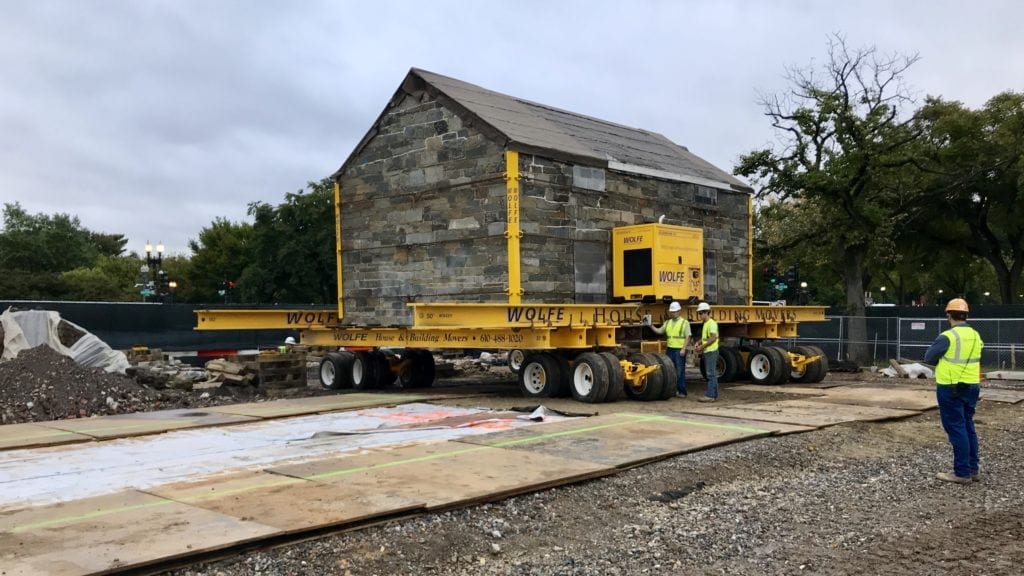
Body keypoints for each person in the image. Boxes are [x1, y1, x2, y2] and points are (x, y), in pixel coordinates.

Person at [924, 298, 983, 484]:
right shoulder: (975, 335)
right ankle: (973, 470)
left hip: (951, 387)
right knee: (968, 426)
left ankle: (962, 472)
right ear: (966, 315)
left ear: (948, 315)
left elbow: (929, 357)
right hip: (972, 386)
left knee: (956, 428)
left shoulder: (947, 337)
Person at [646, 301, 692, 397]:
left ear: (679, 311)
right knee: (670, 370)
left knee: (680, 371)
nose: (672, 313)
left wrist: (684, 349)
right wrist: (651, 326)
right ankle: (673, 390)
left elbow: (688, 336)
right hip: (670, 349)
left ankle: (682, 391)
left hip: (679, 350)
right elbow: (659, 331)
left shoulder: (684, 323)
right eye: (671, 312)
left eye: (674, 311)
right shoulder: (668, 322)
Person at [694, 302, 719, 402]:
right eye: (699, 313)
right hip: (709, 351)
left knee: (710, 374)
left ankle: (710, 395)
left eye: (700, 313)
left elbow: (713, 338)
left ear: (706, 313)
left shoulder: (711, 323)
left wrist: (702, 347)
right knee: (711, 373)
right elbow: (706, 338)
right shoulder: (706, 324)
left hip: (711, 351)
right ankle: (713, 395)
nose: (699, 315)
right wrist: (699, 342)